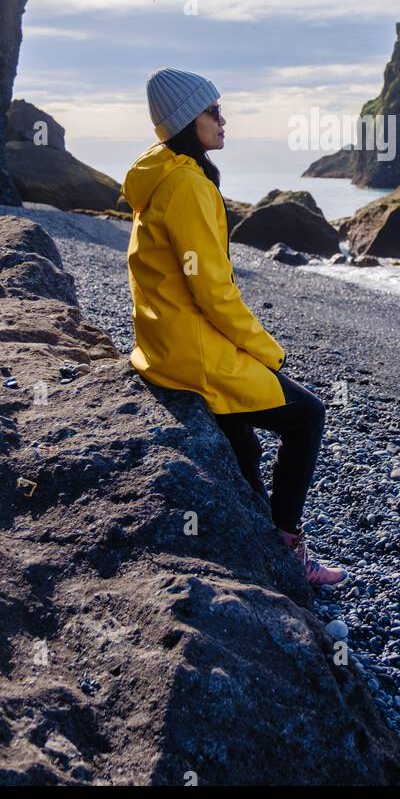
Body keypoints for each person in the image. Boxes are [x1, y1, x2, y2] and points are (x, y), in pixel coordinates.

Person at [120, 66, 347, 588]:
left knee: (243, 440)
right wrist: (267, 350)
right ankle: (289, 549)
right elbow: (214, 291)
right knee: (308, 415)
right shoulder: (187, 187)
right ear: (186, 121)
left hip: (161, 345)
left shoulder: (160, 171)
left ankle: (260, 546)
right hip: (189, 353)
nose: (224, 121)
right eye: (212, 112)